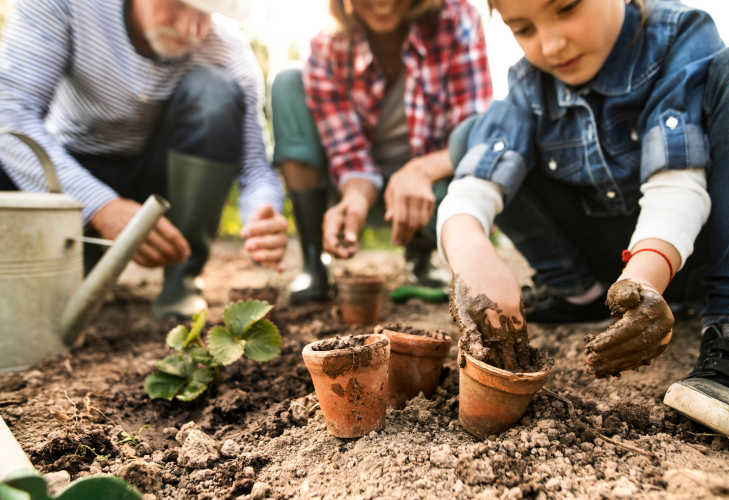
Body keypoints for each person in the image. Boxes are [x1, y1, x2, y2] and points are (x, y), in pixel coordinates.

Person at [439, 0, 729, 445]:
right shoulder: (530, 83)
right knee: (472, 137)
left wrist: (644, 277)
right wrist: (472, 254)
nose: (551, 44)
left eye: (566, 8)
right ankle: (580, 294)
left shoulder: (679, 36)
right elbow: (475, 184)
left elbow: (677, 184)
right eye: (523, 28)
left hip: (697, 252)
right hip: (614, 270)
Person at [0, 0, 288, 320]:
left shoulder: (228, 53)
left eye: (205, 13)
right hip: (69, 172)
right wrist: (100, 206)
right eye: (178, 5)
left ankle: (182, 279)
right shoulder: (65, 6)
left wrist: (263, 211)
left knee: (215, 90)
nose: (190, 29)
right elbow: (9, 114)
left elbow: (255, 169)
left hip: (158, 181)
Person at [270, 0, 493, 304]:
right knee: (287, 81)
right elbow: (349, 154)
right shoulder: (327, 47)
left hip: (433, 190)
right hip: (361, 191)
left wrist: (418, 173)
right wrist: (356, 198)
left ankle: (421, 252)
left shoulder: (456, 19)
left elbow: (473, 136)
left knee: (483, 174)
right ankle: (313, 258)